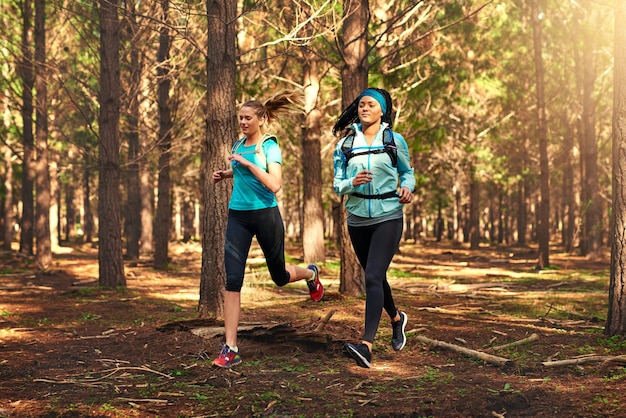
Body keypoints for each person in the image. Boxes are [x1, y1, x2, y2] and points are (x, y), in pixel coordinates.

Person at [211, 90, 324, 368]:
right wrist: (227, 173)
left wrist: (248, 163)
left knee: (279, 276)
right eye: (240, 118)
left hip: (265, 216)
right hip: (238, 216)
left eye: (248, 118)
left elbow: (275, 184)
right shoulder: (238, 143)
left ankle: (311, 273)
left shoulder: (269, 145)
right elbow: (243, 174)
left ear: (260, 119)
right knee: (233, 281)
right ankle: (231, 348)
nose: (242, 122)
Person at [332, 87, 415, 368]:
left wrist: (406, 188)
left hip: (388, 216)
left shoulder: (394, 141)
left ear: (382, 110)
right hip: (357, 219)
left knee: (373, 276)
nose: (364, 108)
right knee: (374, 276)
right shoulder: (345, 145)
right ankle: (396, 318)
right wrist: (349, 184)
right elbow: (337, 183)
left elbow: (407, 172)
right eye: (361, 105)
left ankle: (366, 345)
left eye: (370, 104)